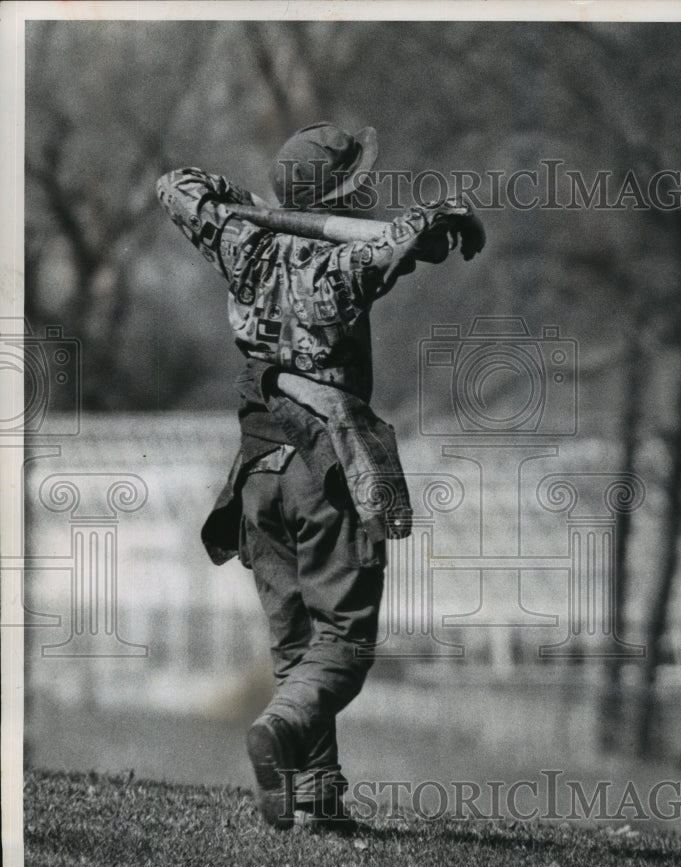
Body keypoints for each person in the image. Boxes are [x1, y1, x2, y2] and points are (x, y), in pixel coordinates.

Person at [157, 122, 484, 831]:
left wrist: (257, 206)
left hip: (257, 474)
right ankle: (278, 735)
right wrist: (445, 219)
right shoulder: (346, 264)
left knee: (295, 645)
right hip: (324, 469)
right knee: (344, 643)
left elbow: (174, 185)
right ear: (340, 192)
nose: (367, 189)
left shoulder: (240, 242)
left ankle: (315, 802)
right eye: (357, 182)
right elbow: (412, 233)